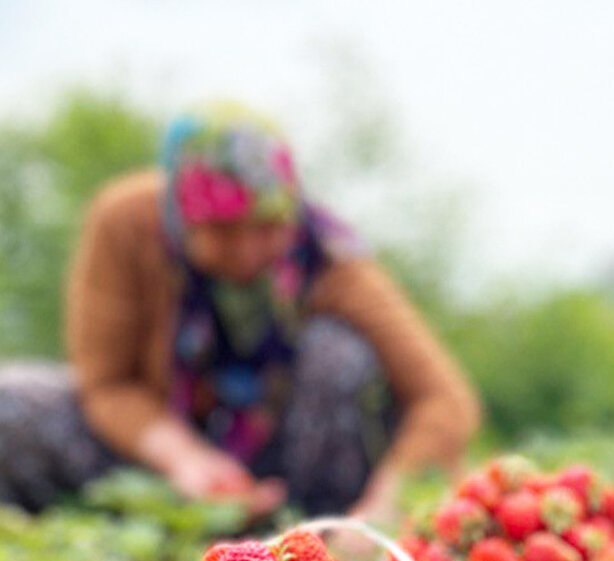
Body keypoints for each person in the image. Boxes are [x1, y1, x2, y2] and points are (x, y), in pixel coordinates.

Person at [0, 103, 480, 519]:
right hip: (157, 451)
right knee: (11, 401)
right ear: (183, 217)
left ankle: (314, 536)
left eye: (268, 226)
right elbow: (107, 383)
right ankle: (118, 527)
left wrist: (382, 507)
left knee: (340, 354)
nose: (248, 250)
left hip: (291, 467)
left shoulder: (329, 259)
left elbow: (446, 400)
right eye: (224, 231)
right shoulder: (125, 224)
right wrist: (187, 461)